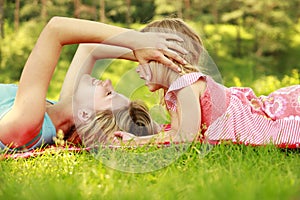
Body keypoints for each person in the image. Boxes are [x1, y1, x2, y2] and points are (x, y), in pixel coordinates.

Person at [0, 16, 188, 152]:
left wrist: (138, 41)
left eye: (108, 94)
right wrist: (161, 63)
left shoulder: (27, 123)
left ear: (85, 115)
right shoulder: (59, 111)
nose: (107, 82)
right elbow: (90, 49)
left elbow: (55, 30)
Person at [114, 18, 300, 149]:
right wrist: (136, 140)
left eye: (144, 62)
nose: (138, 69)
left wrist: (136, 142)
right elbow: (176, 133)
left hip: (276, 111)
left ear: (165, 59)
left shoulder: (185, 85)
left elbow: (186, 138)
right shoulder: (177, 90)